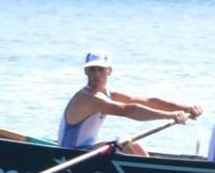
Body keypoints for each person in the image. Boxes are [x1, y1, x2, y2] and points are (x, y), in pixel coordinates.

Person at [57, 52, 199, 154]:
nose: (96, 74)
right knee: (124, 144)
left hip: (86, 150)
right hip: (71, 154)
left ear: (109, 71)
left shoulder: (108, 94)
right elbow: (129, 110)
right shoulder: (87, 97)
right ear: (85, 71)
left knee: (133, 145)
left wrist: (186, 108)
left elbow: (149, 101)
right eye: (92, 70)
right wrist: (170, 115)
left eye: (101, 69)